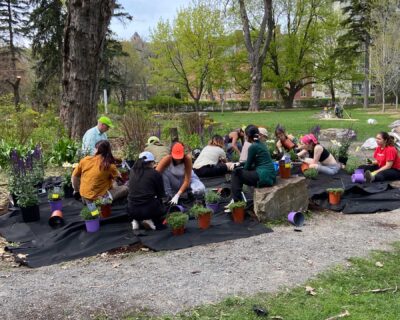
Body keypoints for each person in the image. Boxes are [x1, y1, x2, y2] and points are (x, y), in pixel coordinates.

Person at [231, 125, 276, 202]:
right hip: (270, 175)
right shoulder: (261, 144)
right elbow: (253, 162)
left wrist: (239, 166)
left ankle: (237, 203)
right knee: (239, 170)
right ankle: (238, 202)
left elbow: (247, 167)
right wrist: (240, 164)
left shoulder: (253, 147)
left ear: (247, 136)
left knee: (236, 173)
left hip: (263, 177)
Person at [127, 151, 166, 231]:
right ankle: (149, 219)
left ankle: (135, 220)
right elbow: (161, 194)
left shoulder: (132, 172)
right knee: (161, 206)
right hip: (148, 210)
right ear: (151, 162)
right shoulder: (155, 173)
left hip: (131, 210)